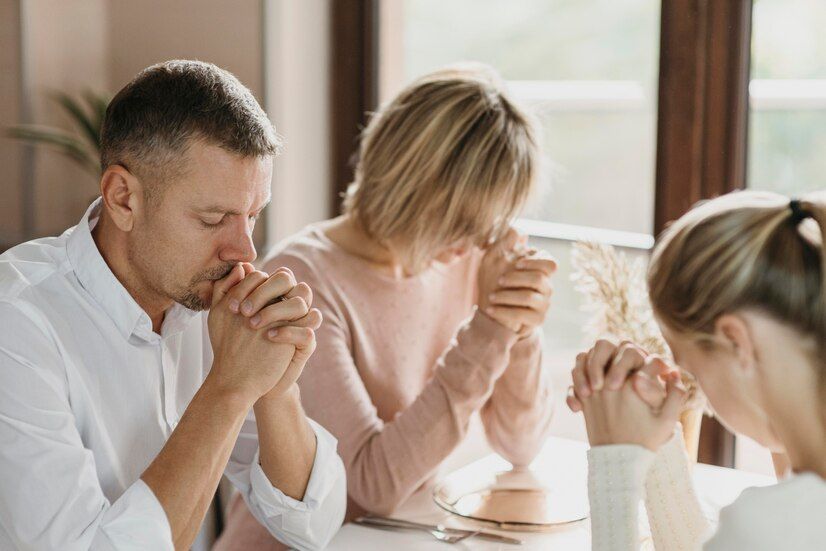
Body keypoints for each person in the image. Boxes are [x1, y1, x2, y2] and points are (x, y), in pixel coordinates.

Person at [0, 60, 346, 550]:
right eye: (213, 219)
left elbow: (311, 525)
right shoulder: (16, 324)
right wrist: (228, 389)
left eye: (252, 216)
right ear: (123, 198)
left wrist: (276, 387)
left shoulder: (210, 301)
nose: (244, 250)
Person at [217, 63, 556, 548]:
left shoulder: (464, 253)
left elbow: (520, 446)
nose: (478, 241)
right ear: (410, 184)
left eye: (490, 222)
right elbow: (370, 485)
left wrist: (520, 327)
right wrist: (490, 328)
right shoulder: (303, 277)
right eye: (463, 220)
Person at [568, 190, 826, 550]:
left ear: (737, 342)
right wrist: (658, 451)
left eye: (692, 370)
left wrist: (614, 465)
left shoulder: (773, 525)